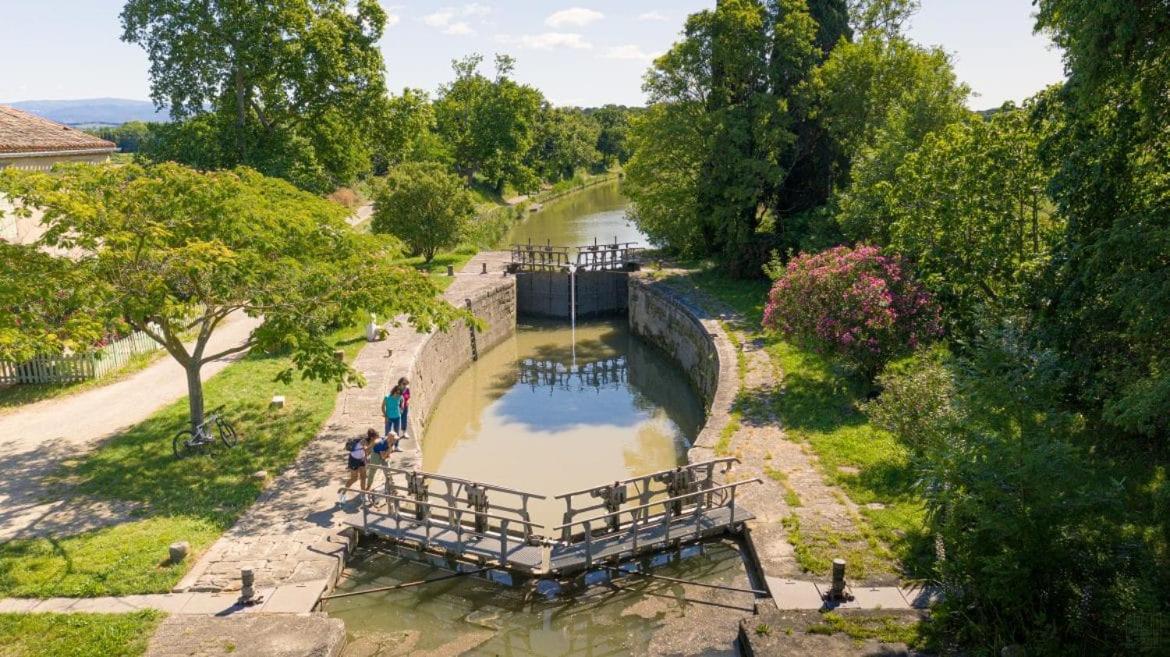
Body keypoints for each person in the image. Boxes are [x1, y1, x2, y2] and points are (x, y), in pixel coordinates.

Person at [340, 429, 376, 504]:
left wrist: (365, 458)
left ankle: (363, 495)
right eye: (376, 437)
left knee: (363, 477)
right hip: (353, 460)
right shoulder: (364, 441)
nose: (377, 439)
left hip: (361, 460)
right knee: (354, 478)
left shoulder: (371, 441)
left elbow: (367, 453)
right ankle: (343, 493)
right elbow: (366, 449)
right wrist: (372, 445)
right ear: (372, 437)